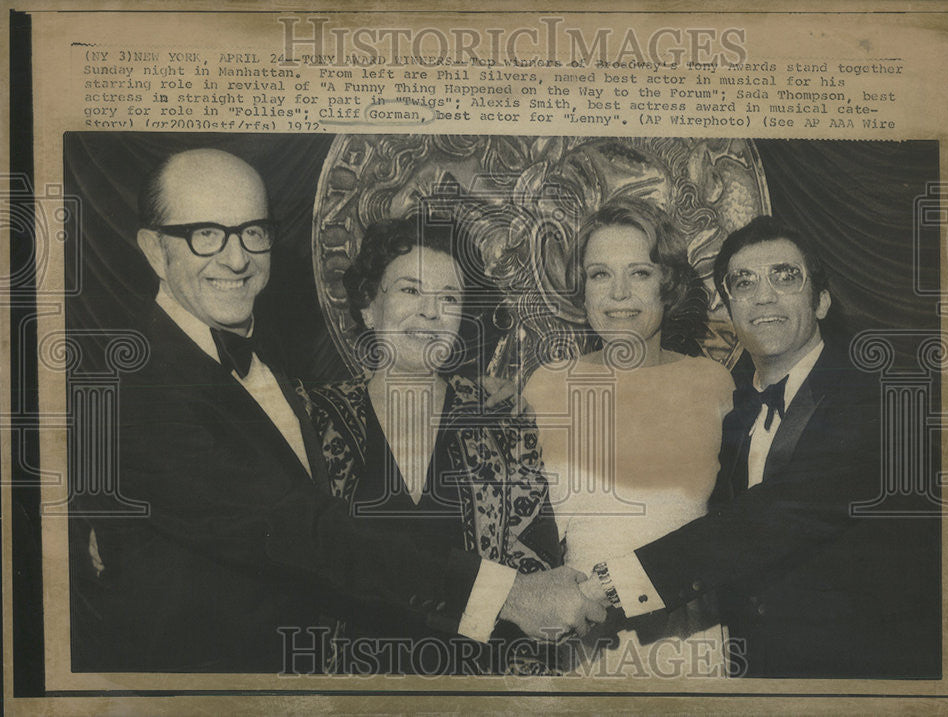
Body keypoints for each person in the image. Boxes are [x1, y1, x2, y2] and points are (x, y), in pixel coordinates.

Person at [69, 148, 604, 673]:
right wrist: (505, 594)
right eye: (205, 234)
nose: (236, 258)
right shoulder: (140, 389)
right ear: (154, 250)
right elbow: (302, 531)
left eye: (253, 232)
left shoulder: (275, 375)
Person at [580, 215, 941, 678]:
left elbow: (770, 518)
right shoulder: (725, 401)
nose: (764, 295)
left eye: (785, 276)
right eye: (743, 282)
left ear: (823, 301)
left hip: (862, 677)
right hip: (749, 672)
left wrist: (605, 588)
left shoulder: (877, 398)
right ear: (729, 310)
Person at [297, 214, 563, 674]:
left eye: (449, 297)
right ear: (367, 306)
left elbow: (535, 581)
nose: (431, 311)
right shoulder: (310, 418)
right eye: (410, 290)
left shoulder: (502, 421)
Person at [522, 199, 734, 675]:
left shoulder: (715, 384)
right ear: (583, 290)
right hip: (580, 649)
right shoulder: (545, 385)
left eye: (639, 273)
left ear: (668, 286)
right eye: (600, 275)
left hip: (688, 647)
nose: (618, 293)